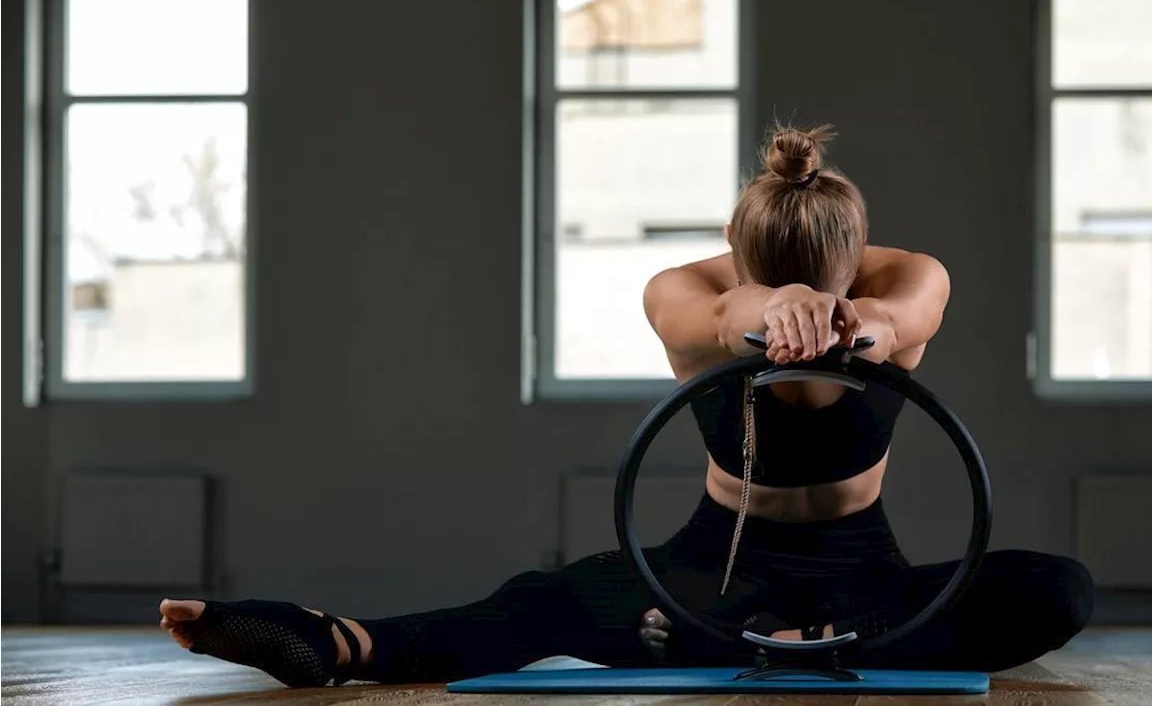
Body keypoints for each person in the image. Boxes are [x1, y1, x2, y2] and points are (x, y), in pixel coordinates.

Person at [159, 124, 1094, 688]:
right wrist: (774, 313)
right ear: (736, 249)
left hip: (865, 570)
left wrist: (864, 330)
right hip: (711, 565)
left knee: (1057, 589)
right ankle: (336, 639)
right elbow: (724, 313)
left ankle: (794, 643)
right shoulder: (687, 290)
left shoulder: (903, 276)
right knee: (537, 602)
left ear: (857, 259)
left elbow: (906, 310)